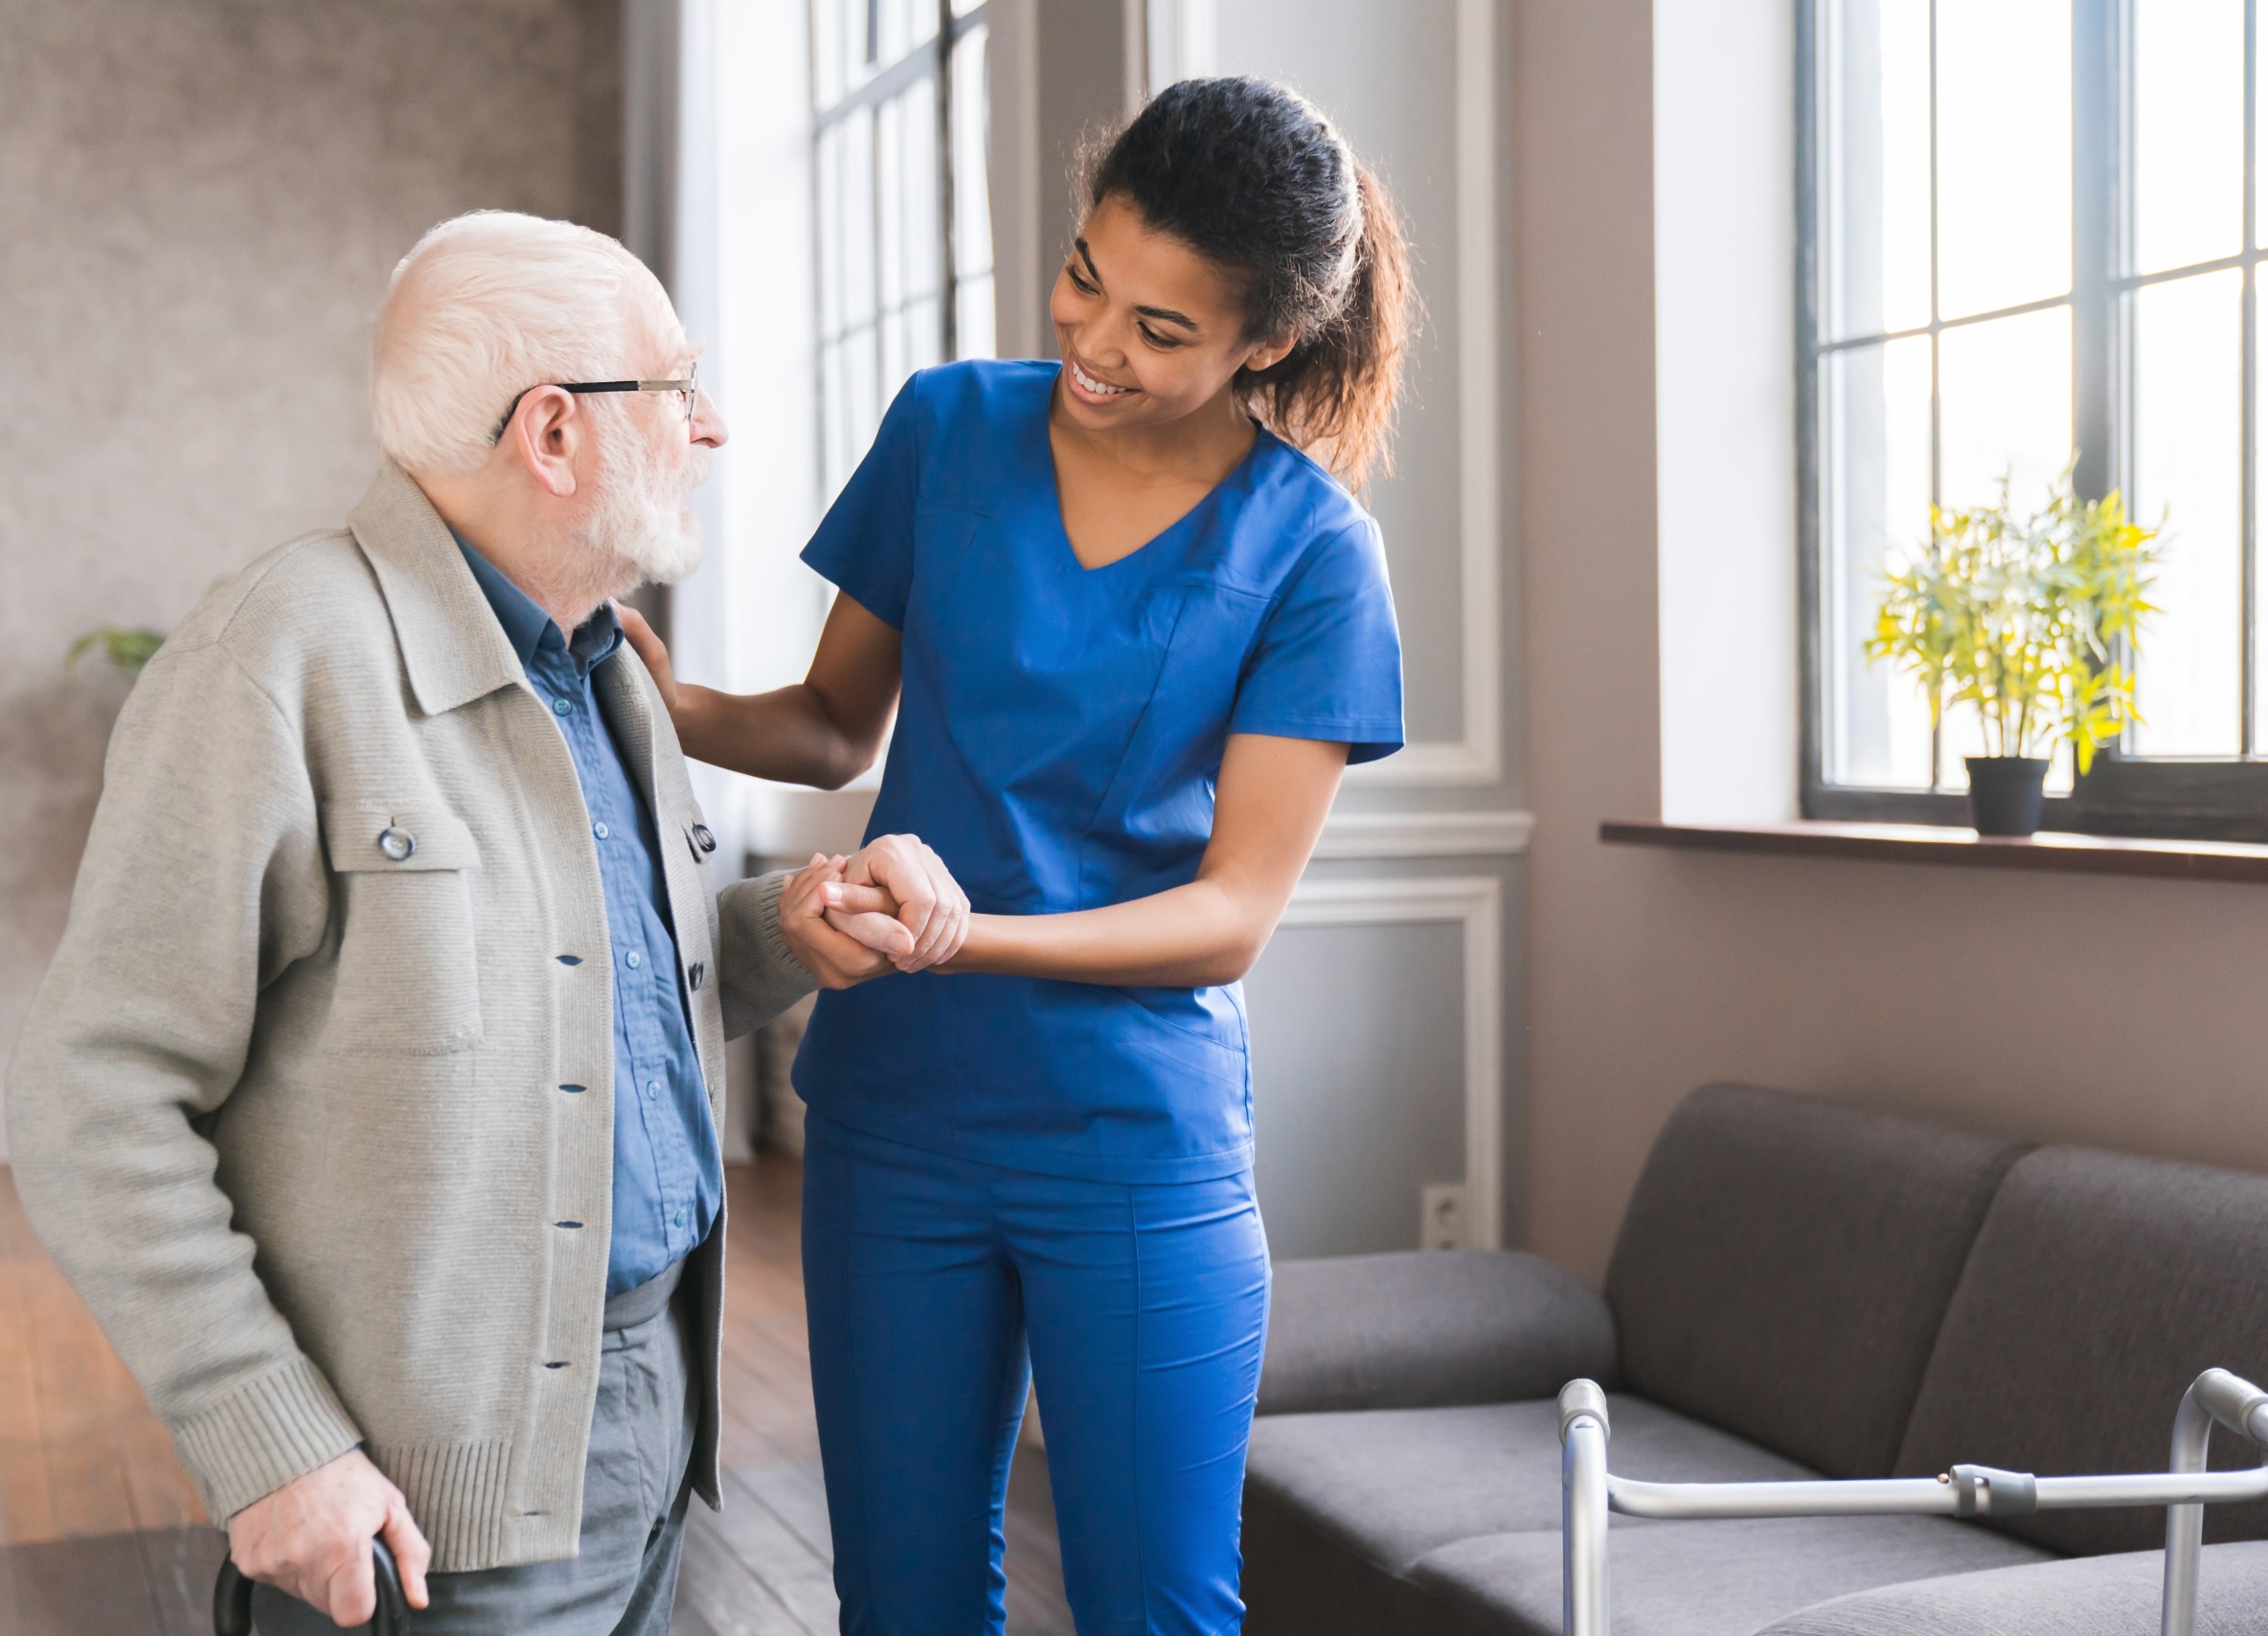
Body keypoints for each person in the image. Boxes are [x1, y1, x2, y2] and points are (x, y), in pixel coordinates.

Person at [5, 211, 960, 1635]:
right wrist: (280, 1451)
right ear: (556, 435)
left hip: (654, 1415)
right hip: (419, 1510)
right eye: (676, 387)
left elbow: (593, 980)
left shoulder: (610, 672)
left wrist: (786, 923)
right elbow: (93, 1097)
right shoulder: (276, 656)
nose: (711, 429)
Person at [626, 77, 1412, 1631]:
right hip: (894, 1121)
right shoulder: (949, 426)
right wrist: (673, 702)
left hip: (1132, 1145)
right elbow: (839, 726)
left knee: (1154, 1611)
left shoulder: (1315, 552)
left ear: (1264, 343)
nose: (1097, 344)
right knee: (904, 1604)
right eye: (1084, 277)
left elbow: (1230, 915)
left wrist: (958, 936)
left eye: (1163, 330)